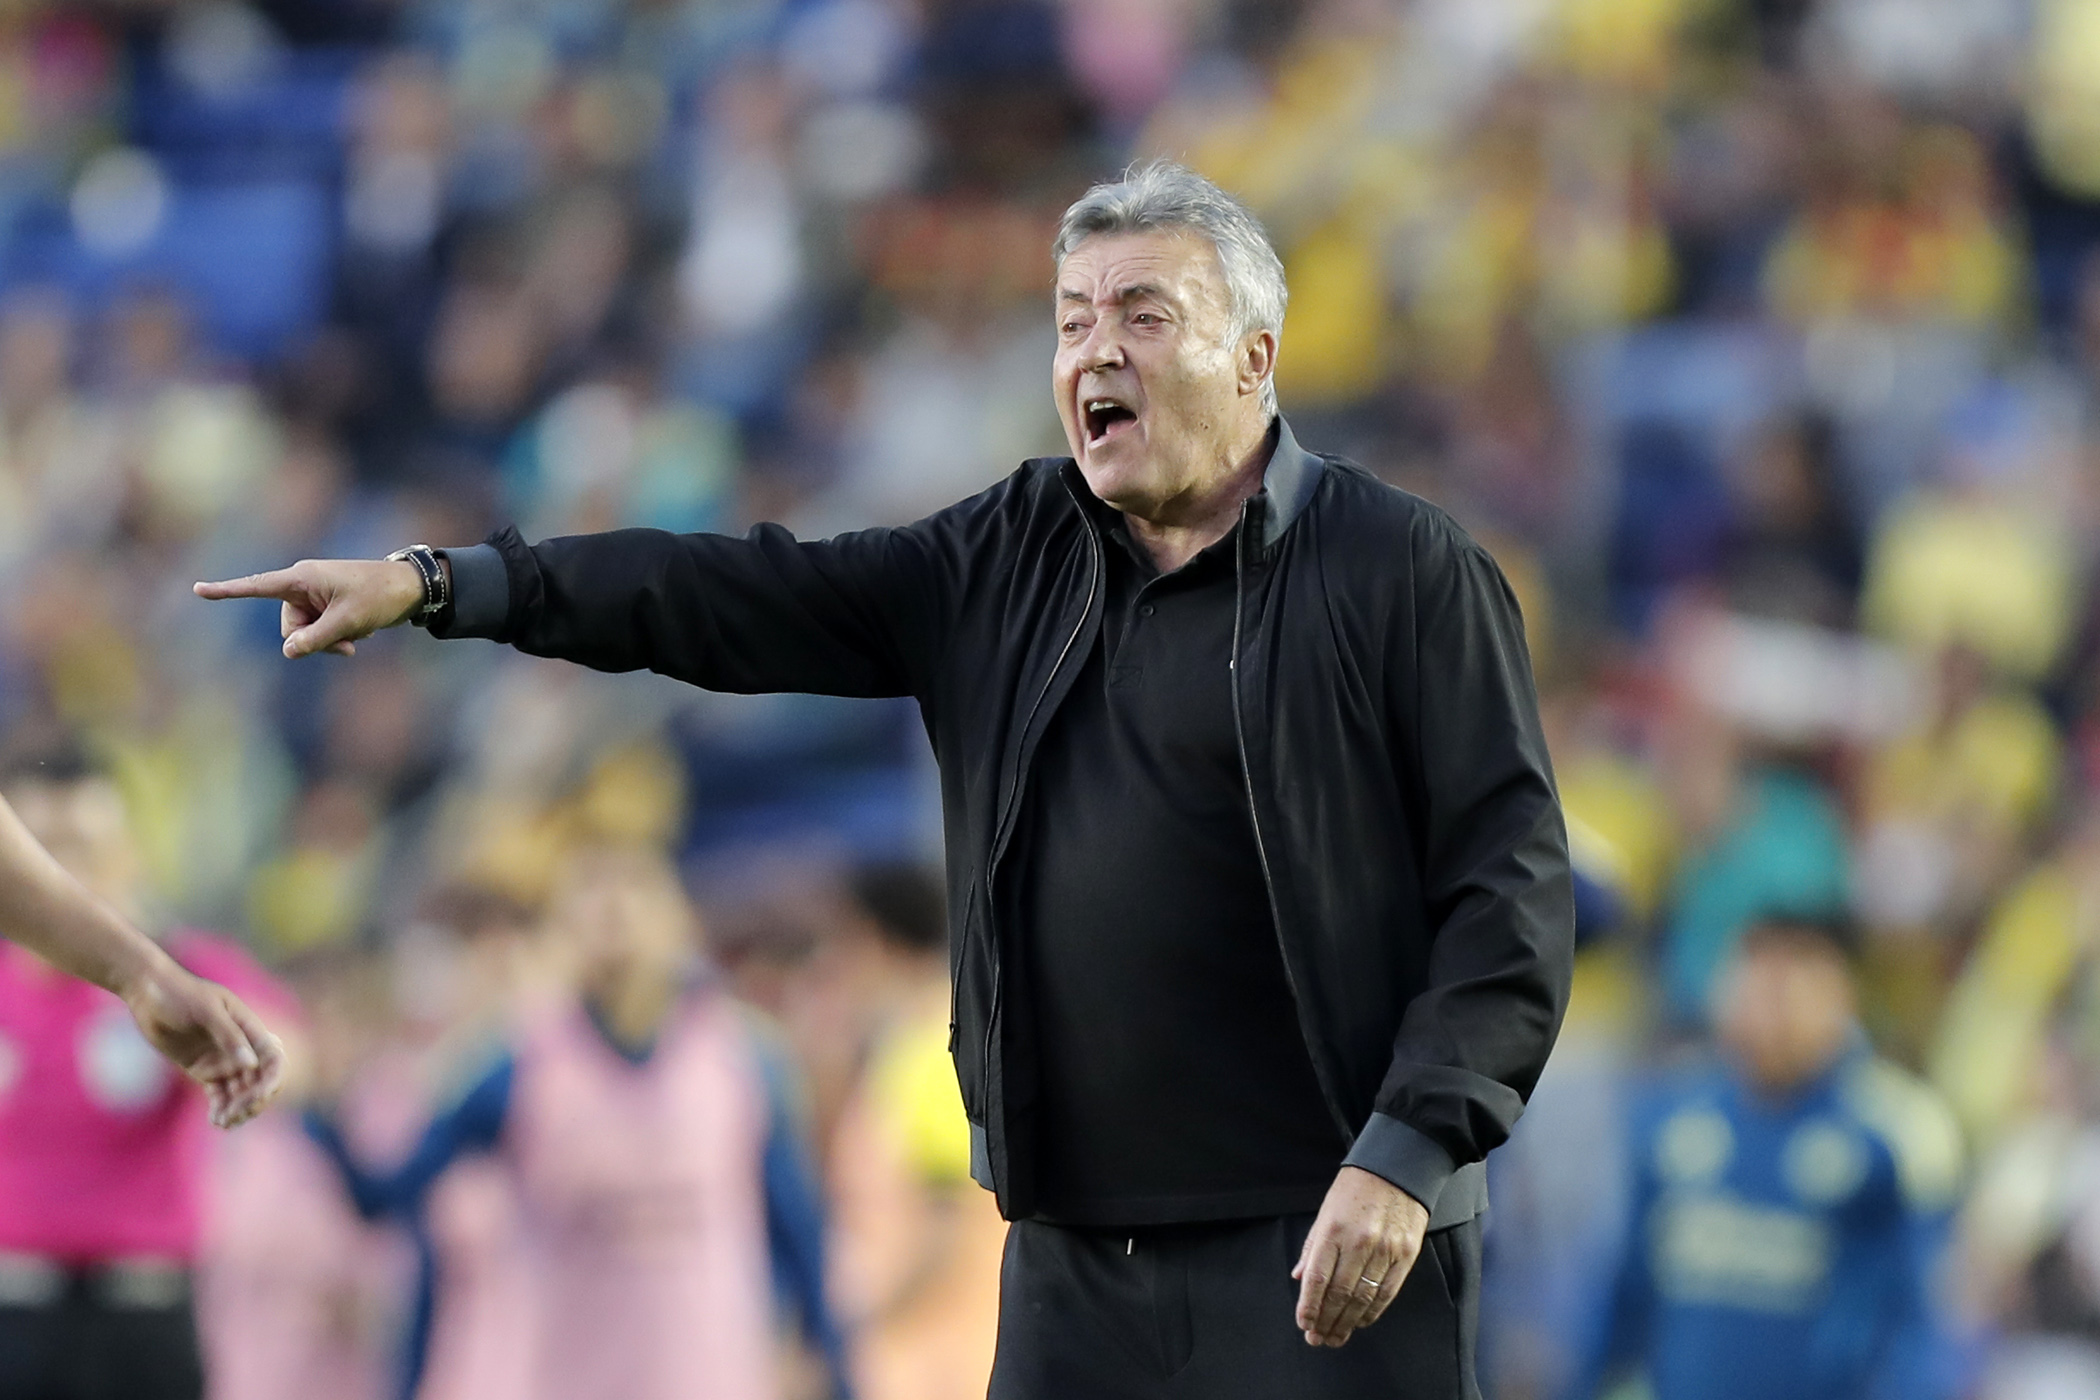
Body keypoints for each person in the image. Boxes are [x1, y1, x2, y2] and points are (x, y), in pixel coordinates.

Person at [197, 160, 1575, 1399]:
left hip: (1327, 1242)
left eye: (1143, 315)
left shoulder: (1404, 571)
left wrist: (1407, 1153)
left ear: (1256, 355)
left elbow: (1510, 893)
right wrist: (446, 584)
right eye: (1073, 321)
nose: (1096, 349)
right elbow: (728, 594)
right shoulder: (1005, 556)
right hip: (1075, 1261)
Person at [301, 842, 854, 1400]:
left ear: (678, 917)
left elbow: (800, 1234)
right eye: (590, 890)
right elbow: (386, 1199)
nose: (613, 909)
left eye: (633, 886)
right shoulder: (517, 1064)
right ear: (560, 931)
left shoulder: (741, 1057)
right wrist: (319, 1107)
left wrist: (834, 1368)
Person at [1571, 913, 1965, 1400]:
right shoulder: (1669, 1118)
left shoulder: (1899, 1132)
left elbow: (1922, 1325)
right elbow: (1624, 1298)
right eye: (1755, 977)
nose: (1769, 1005)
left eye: (1792, 980)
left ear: (1841, 995)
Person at [0, 748, 293, 1400]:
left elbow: (291, 1052)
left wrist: (241, 1053)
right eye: (40, 852)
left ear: (128, 853)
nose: (61, 876)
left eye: (82, 848)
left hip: (140, 1311)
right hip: (12, 1302)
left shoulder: (178, 978)